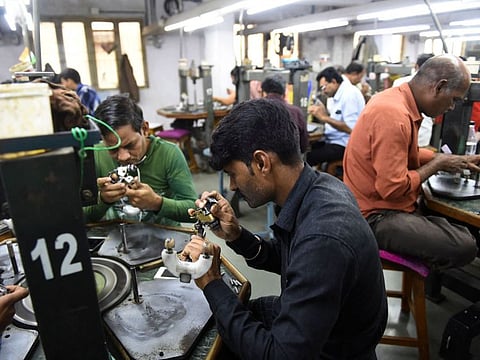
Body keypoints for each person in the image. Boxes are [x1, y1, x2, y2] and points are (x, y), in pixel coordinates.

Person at [180, 98, 387, 359]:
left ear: (261, 163)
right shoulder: (317, 188)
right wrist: (236, 234)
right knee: (216, 325)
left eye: (233, 174)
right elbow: (291, 259)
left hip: (332, 350)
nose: (231, 186)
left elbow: (280, 355)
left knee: (213, 340)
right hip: (324, 326)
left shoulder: (323, 235)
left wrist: (210, 281)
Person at [343, 54, 478, 270]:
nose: (452, 107)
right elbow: (392, 188)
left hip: (384, 206)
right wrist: (436, 165)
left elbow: (405, 152)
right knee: (465, 245)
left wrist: (446, 159)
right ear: (439, 87)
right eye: (454, 99)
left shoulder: (396, 100)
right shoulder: (393, 115)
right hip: (375, 216)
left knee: (456, 229)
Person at [83, 95, 197, 227]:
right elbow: (82, 217)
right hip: (115, 237)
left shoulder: (168, 154)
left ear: (145, 129)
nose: (123, 157)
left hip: (164, 238)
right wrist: (103, 200)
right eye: (112, 149)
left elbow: (195, 211)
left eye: (130, 145)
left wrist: (157, 203)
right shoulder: (95, 154)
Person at [307, 66, 365, 167]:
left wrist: (324, 118)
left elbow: (351, 129)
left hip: (344, 144)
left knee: (308, 157)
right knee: (304, 149)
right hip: (332, 139)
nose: (323, 91)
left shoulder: (349, 95)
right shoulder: (335, 95)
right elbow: (336, 118)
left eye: (324, 87)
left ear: (333, 82)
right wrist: (324, 112)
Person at [393, 53, 435, 147]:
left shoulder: (399, 82)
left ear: (416, 66)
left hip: (401, 135)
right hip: (423, 137)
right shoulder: (435, 85)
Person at [261, 75, 309, 153]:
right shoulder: (296, 112)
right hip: (291, 162)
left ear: (263, 93)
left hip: (262, 162)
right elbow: (303, 146)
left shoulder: (256, 110)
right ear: (284, 93)